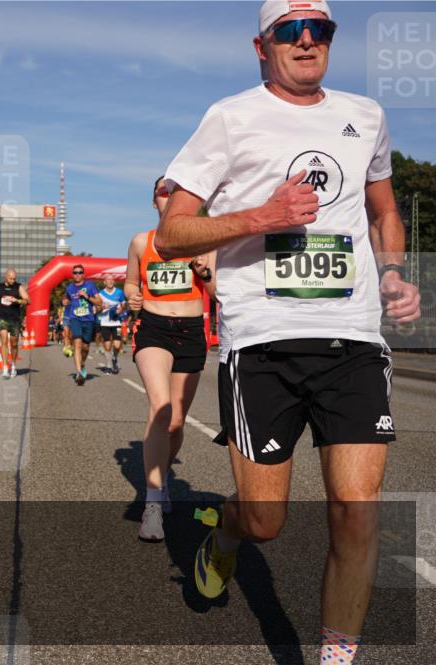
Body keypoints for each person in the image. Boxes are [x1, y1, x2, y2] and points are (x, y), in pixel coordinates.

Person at [158, 2, 420, 661]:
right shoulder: (229, 117)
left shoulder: (367, 117)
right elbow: (170, 234)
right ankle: (225, 535)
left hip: (354, 339)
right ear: (261, 45)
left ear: (330, 39)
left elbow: (384, 210)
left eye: (320, 30)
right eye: (289, 31)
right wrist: (261, 214)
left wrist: (391, 275)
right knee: (266, 521)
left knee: (357, 513)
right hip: (264, 344)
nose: (306, 42)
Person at [125, 177, 214, 541]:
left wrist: (202, 270)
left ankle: (161, 484)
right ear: (154, 201)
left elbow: (216, 288)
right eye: (164, 191)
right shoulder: (141, 242)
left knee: (176, 422)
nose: (170, 196)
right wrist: (133, 297)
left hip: (192, 331)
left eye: (177, 191)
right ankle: (152, 501)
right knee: (160, 408)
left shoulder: (205, 238)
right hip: (153, 329)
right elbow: (132, 282)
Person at [61, 264, 102, 386]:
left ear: (83, 274)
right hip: (75, 318)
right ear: (72, 274)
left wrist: (87, 296)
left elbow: (99, 301)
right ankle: (79, 372)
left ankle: (82, 364)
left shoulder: (90, 286)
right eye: (75, 273)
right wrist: (65, 302)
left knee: (85, 347)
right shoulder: (69, 288)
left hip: (88, 319)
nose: (77, 274)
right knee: (77, 343)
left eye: (79, 272)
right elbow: (66, 300)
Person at [0, 268, 29, 379]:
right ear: (5, 277)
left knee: (13, 344)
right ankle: (4, 368)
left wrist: (17, 300)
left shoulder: (19, 287)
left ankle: (13, 365)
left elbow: (27, 300)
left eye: (14, 278)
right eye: (11, 278)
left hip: (15, 319)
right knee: (4, 341)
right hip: (3, 318)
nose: (13, 280)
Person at [97, 274, 128, 374]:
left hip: (117, 322)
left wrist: (121, 309)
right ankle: (109, 365)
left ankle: (115, 358)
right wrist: (102, 307)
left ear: (114, 282)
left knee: (117, 345)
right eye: (108, 280)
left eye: (112, 280)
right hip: (105, 322)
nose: (110, 281)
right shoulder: (100, 294)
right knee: (107, 345)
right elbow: (97, 309)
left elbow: (124, 303)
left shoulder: (119, 292)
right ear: (104, 282)